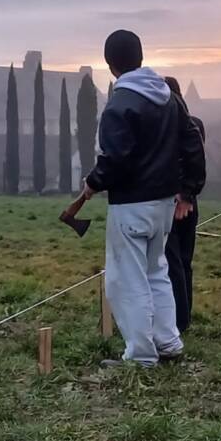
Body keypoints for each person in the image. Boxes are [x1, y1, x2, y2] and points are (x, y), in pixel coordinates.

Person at [82, 30, 205, 367]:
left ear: (110, 65)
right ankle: (168, 343)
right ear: (140, 56)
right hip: (164, 203)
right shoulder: (168, 97)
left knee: (126, 280)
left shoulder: (119, 105)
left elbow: (115, 159)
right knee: (156, 272)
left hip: (131, 205)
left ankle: (140, 356)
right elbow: (192, 141)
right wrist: (189, 190)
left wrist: (93, 182)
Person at [163, 76, 206, 333]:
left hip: (173, 200)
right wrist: (190, 193)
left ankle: (178, 320)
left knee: (172, 261)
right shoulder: (196, 124)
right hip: (191, 200)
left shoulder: (169, 128)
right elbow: (197, 158)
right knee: (185, 260)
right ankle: (185, 314)